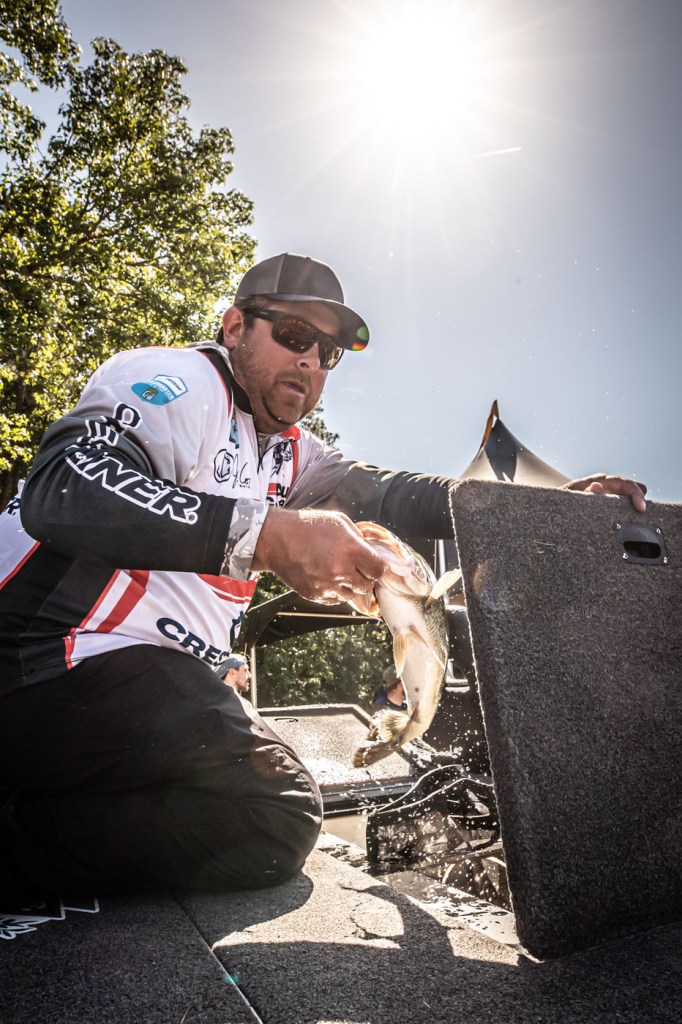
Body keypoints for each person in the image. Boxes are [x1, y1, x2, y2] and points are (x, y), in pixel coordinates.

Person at [0, 252, 647, 908]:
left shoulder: (292, 453)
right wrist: (269, 534)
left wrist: (546, 503)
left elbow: (392, 494)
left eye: (328, 352)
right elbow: (63, 490)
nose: (310, 361)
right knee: (275, 809)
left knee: (267, 811)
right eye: (294, 335)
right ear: (234, 327)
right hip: (35, 661)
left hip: (116, 685)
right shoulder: (180, 381)